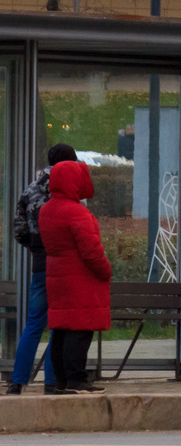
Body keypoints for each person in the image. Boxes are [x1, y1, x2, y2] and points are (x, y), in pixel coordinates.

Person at [6, 143, 77, 395]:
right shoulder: (70, 191)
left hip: (40, 264)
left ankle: (17, 382)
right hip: (64, 265)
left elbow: (19, 230)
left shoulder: (29, 191)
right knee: (58, 324)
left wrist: (36, 249)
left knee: (34, 323)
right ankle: (52, 382)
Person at [40, 160, 110, 394]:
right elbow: (91, 251)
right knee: (80, 329)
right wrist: (105, 270)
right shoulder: (77, 213)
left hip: (58, 277)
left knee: (60, 329)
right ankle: (76, 378)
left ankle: (61, 380)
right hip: (80, 280)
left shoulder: (47, 209)